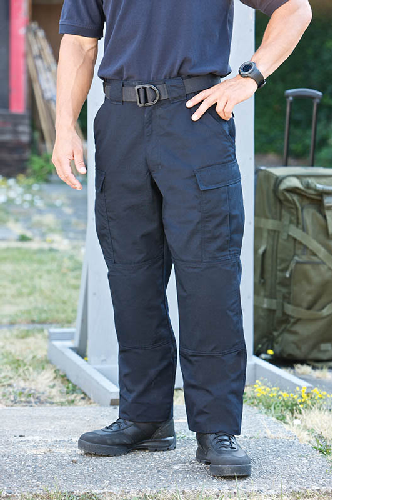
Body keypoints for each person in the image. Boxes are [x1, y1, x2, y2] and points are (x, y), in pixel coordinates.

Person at [52, 0, 312, 477]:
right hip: (120, 121)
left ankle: (216, 428)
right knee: (131, 276)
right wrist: (65, 126)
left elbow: (295, 8)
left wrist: (249, 76)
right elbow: (80, 43)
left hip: (195, 119)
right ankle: (145, 418)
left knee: (209, 276)